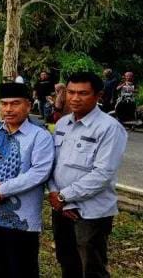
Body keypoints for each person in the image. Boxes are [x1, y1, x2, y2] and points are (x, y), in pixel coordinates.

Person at [48, 72, 127, 278]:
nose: (75, 98)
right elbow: (52, 164)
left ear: (98, 96)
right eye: (71, 92)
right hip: (61, 207)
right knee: (67, 261)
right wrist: (55, 195)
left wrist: (64, 197)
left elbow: (102, 173)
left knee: (91, 268)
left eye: (83, 93)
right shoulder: (63, 124)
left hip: (90, 212)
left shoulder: (109, 128)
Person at [0, 83, 54, 278]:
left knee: (22, 269)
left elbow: (39, 172)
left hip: (22, 219)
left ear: (28, 105)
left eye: (15, 103)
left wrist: (1, 190)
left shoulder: (39, 136)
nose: (8, 109)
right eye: (4, 103)